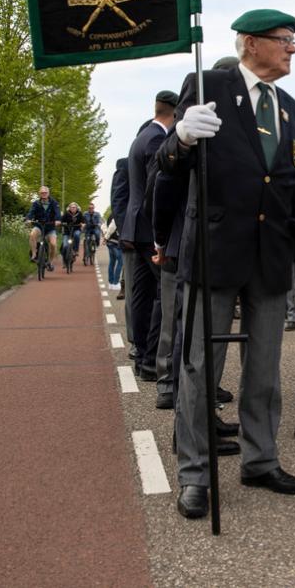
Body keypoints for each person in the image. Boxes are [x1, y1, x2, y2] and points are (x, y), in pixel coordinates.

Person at [158, 8, 295, 519]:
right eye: (284, 40)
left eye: (294, 40)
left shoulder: (293, 109)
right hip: (215, 251)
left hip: (271, 255)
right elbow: (167, 165)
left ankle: (260, 459)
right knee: (201, 368)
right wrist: (181, 136)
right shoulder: (208, 84)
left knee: (266, 369)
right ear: (250, 43)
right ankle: (195, 474)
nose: (293, 48)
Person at [122, 92, 178, 382]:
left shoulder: (140, 137)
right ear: (175, 112)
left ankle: (143, 356)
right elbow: (156, 189)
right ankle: (154, 359)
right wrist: (161, 235)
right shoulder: (157, 140)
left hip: (135, 228)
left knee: (142, 295)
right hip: (149, 229)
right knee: (163, 297)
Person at [25, 186, 60, 268]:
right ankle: (34, 254)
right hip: (39, 226)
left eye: (45, 192)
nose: (43, 194)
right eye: (42, 193)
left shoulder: (54, 203)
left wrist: (58, 220)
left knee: (53, 244)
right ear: (39, 194)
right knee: (32, 235)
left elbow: (57, 212)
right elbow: (31, 212)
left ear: (48, 193)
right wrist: (28, 219)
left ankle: (50, 262)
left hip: (50, 227)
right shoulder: (36, 203)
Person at [109, 157, 129, 302]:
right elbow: (118, 203)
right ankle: (122, 284)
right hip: (121, 235)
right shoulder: (126, 164)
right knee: (119, 261)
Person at [104, 215, 123, 291]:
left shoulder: (111, 215)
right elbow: (112, 226)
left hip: (110, 242)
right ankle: (115, 283)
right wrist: (106, 237)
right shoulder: (117, 214)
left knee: (112, 262)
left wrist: (106, 236)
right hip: (115, 242)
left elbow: (103, 225)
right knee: (121, 261)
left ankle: (111, 283)